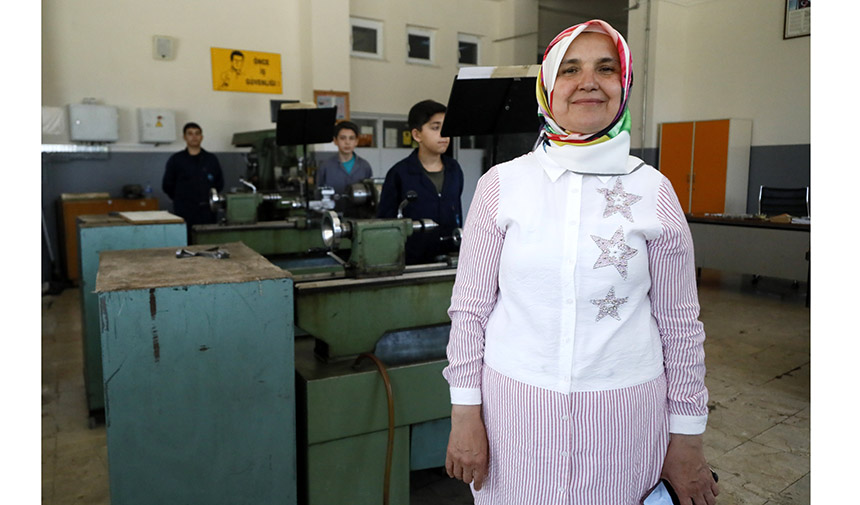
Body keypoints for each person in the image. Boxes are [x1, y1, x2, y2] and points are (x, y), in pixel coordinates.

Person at [443, 19, 720, 505]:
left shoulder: (653, 190)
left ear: (624, 84)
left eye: (606, 68)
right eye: (570, 69)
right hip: (516, 415)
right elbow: (471, 311)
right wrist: (465, 414)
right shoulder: (502, 185)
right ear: (548, 86)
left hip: (625, 419)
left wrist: (687, 440)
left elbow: (680, 325)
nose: (589, 81)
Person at [376, 99, 464, 264]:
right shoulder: (399, 174)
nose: (444, 135)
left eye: (446, 128)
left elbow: (457, 211)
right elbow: (384, 223)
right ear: (417, 135)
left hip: (451, 258)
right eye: (436, 128)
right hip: (412, 262)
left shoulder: (454, 169)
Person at [162, 122, 225, 237]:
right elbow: (167, 185)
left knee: (208, 241)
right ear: (185, 137)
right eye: (190, 134)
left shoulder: (211, 159)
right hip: (184, 211)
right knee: (186, 241)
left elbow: (219, 183)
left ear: (202, 137)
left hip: (207, 211)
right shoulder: (176, 160)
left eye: (197, 133)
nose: (194, 137)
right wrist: (180, 199)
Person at [315, 121, 374, 210]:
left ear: (356, 141)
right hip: (333, 216)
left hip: (359, 217)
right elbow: (318, 195)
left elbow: (371, 195)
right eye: (343, 138)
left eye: (351, 138)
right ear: (335, 141)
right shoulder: (325, 167)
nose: (347, 142)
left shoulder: (364, 166)